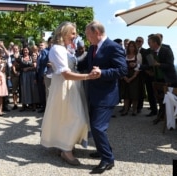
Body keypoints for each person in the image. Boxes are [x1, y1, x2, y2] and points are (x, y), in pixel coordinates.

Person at [40, 21, 99, 166]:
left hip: (72, 87)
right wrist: (88, 77)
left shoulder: (65, 49)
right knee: (74, 118)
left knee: (70, 117)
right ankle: (66, 151)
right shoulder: (57, 50)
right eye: (73, 33)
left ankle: (66, 146)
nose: (75, 35)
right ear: (64, 33)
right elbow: (66, 74)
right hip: (64, 88)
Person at [78, 20, 128, 174]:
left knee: (98, 127)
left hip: (106, 95)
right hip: (94, 94)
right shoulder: (93, 47)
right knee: (94, 126)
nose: (87, 39)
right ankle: (102, 150)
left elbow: (122, 70)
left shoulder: (113, 47)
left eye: (88, 35)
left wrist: (103, 73)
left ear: (97, 33)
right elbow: (83, 65)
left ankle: (108, 159)